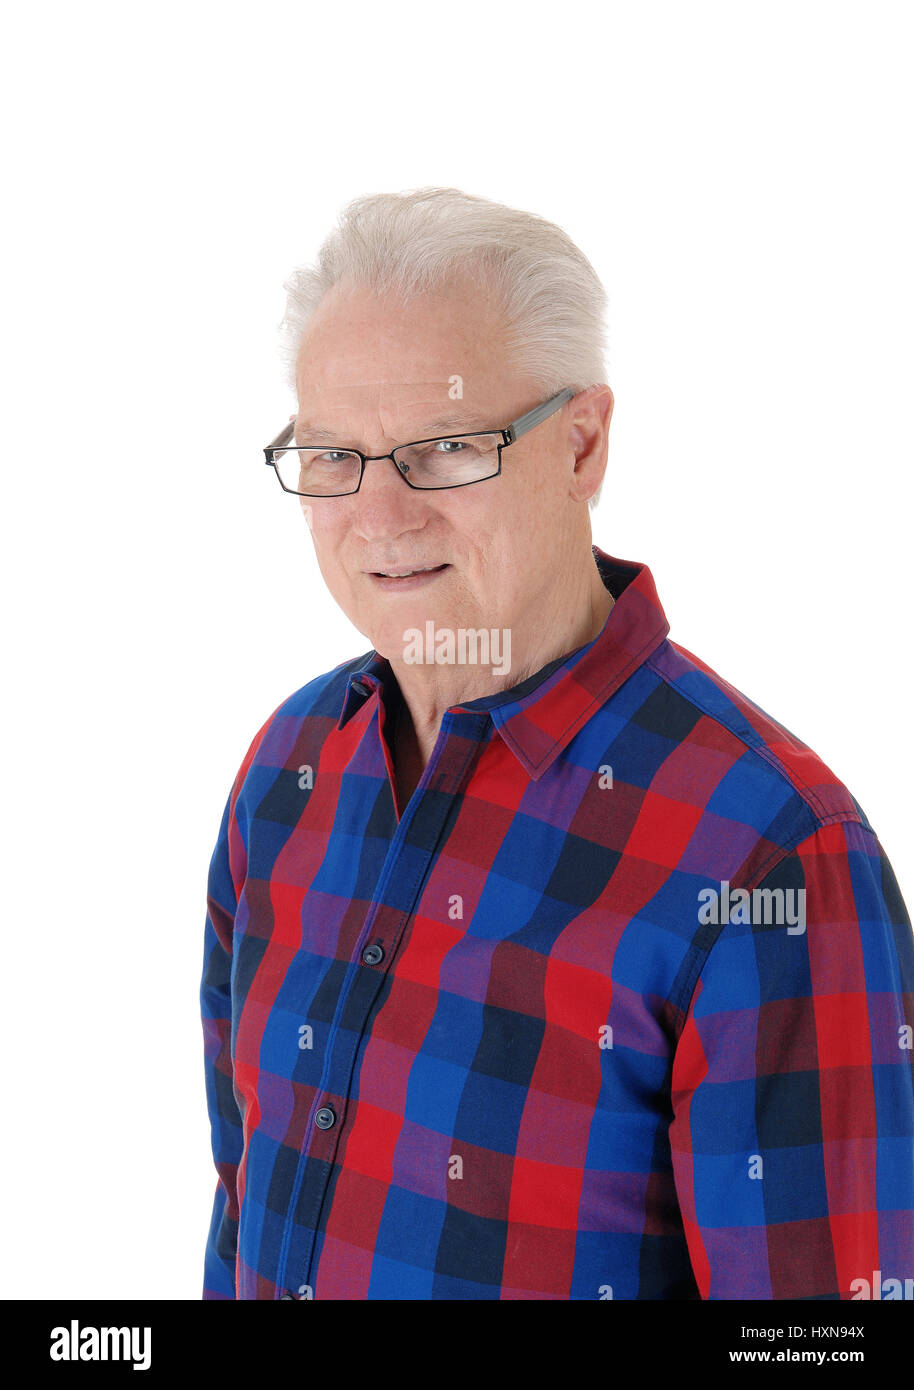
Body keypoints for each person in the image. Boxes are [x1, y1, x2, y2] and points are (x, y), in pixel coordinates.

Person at [201, 186, 914, 1300]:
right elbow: (240, 1208)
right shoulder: (288, 772)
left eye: (440, 450)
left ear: (580, 446)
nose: (379, 518)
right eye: (334, 456)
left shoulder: (773, 853)